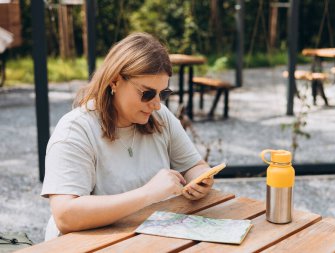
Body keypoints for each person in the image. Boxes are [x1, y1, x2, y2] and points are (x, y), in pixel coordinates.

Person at [41, 32, 213, 240]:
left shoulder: (159, 116)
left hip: (143, 237)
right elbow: (66, 216)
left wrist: (199, 180)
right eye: (147, 94)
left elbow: (194, 166)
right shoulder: (75, 130)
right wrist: (149, 193)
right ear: (115, 81)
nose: (157, 104)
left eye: (163, 94)